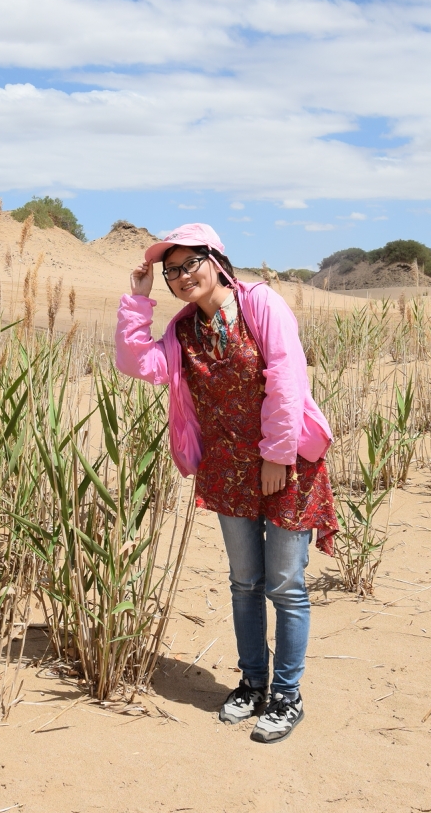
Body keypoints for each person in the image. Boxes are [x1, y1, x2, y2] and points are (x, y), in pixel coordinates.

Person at [115, 223, 336, 744]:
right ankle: (253, 682)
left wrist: (276, 455)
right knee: (244, 583)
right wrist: (137, 302)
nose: (181, 277)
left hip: (285, 464)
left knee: (285, 584)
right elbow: (138, 363)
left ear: (216, 260)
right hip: (226, 467)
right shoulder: (185, 329)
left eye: (190, 263)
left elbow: (286, 376)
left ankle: (286, 695)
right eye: (171, 271)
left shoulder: (261, 305)